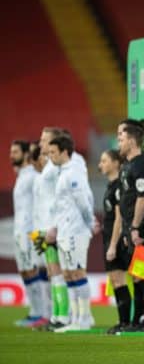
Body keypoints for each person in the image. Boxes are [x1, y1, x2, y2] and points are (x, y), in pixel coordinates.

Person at [35, 127, 87, 330]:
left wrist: (56, 225)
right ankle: (59, 315)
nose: (41, 144)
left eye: (44, 140)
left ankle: (68, 316)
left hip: (61, 226)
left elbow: (71, 197)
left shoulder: (71, 164)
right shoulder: (50, 165)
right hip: (49, 225)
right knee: (55, 272)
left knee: (65, 271)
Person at [46, 136, 95, 332]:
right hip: (65, 231)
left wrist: (90, 222)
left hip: (76, 231)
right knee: (67, 274)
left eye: (53, 153)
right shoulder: (62, 174)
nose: (50, 156)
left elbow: (84, 201)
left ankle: (84, 318)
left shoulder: (73, 174)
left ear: (64, 152)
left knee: (77, 272)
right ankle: (76, 318)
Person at [117, 120, 144, 331]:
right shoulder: (127, 164)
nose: (119, 142)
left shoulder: (141, 163)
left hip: (141, 227)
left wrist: (134, 227)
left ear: (132, 141)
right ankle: (138, 320)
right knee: (136, 274)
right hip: (130, 227)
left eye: (121, 138)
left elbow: (142, 199)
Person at [11, 140, 48, 328]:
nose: (12, 155)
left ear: (26, 154)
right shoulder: (22, 176)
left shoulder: (33, 176)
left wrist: (35, 231)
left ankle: (42, 312)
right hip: (19, 231)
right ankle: (35, 311)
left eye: (15, 151)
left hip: (30, 232)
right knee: (25, 271)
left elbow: (39, 204)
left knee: (35, 269)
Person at [98, 149, 132, 334]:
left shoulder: (119, 186)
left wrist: (113, 245)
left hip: (116, 240)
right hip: (109, 237)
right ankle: (123, 321)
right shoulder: (111, 186)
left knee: (119, 279)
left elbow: (120, 217)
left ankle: (126, 322)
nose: (100, 164)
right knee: (115, 279)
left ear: (115, 163)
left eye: (104, 161)